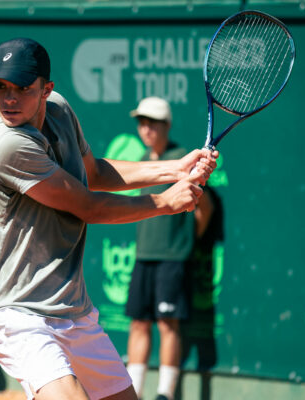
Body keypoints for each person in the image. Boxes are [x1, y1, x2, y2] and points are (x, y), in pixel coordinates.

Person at [0, 37, 218, 400]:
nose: (9, 99)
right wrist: (166, 202)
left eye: (22, 88)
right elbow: (89, 205)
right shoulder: (6, 143)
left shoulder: (58, 110)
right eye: (0, 87)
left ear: (46, 89)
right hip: (19, 315)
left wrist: (173, 168)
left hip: (73, 312)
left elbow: (94, 172)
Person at [124, 97, 221, 400]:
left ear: (166, 125)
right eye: (142, 123)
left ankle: (164, 395)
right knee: (139, 323)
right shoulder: (143, 160)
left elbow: (204, 206)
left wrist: (185, 242)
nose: (146, 129)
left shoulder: (182, 159)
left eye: (152, 123)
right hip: (144, 257)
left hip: (173, 259)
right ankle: (132, 393)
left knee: (168, 325)